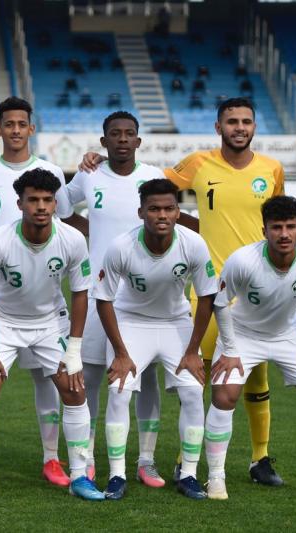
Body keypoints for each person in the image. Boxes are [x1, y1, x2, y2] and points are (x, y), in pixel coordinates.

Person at [80, 97, 286, 485]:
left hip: (254, 289)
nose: (239, 127)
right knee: (196, 377)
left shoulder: (272, 168)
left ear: (254, 127)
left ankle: (260, 459)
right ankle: (182, 462)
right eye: (232, 121)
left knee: (256, 379)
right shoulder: (198, 163)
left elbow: (278, 222)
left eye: (246, 121)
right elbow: (148, 185)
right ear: (218, 127)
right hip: (206, 289)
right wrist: (105, 159)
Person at [0, 168, 104, 502]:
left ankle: (80, 476)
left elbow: (80, 294)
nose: (41, 206)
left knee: (74, 389)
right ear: (20, 204)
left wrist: (74, 348)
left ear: (55, 204)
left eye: (47, 200)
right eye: (33, 200)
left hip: (50, 323)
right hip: (4, 322)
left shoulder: (72, 239)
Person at [0, 96, 80, 487]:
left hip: (44, 294)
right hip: (0, 290)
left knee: (49, 381)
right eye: (8, 124)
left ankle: (52, 458)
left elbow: (65, 216)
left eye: (22, 124)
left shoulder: (50, 171)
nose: (15, 130)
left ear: (31, 128)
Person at [205, 196, 296, 503]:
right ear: (264, 230)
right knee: (224, 396)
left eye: (290, 226)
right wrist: (230, 349)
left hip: (287, 334)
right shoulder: (243, 260)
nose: (284, 234)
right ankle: (215, 478)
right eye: (276, 227)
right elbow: (220, 303)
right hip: (242, 334)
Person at [93, 179, 216, 501]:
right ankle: (117, 474)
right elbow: (104, 299)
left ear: (178, 212)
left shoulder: (193, 244)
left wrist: (193, 351)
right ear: (141, 212)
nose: (162, 215)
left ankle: (189, 474)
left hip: (175, 322)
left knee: (193, 392)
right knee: (119, 391)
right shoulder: (121, 246)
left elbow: (207, 296)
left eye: (169, 208)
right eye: (154, 209)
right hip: (131, 321)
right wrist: (120, 353)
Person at [65, 111, 167, 486]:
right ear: (103, 140)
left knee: (146, 374)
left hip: (143, 294)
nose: (122, 139)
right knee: (90, 374)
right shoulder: (89, 174)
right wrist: (93, 234)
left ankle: (146, 460)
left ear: (138, 141)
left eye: (129, 134)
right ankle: (87, 456)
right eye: (115, 133)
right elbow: (63, 209)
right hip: (98, 291)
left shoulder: (152, 176)